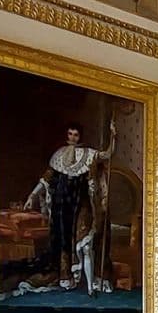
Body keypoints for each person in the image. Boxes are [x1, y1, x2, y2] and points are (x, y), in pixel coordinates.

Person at [23, 120, 116, 296]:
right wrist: (32, 196)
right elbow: (46, 179)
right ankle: (68, 277)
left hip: (81, 204)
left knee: (84, 243)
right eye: (70, 134)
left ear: (80, 136)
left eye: (76, 135)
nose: (72, 138)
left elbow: (107, 154)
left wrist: (113, 136)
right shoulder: (59, 155)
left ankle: (90, 284)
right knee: (64, 241)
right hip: (62, 206)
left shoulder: (88, 154)